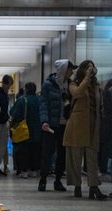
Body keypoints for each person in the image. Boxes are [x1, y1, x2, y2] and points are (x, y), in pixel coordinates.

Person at [63, 60, 107, 200]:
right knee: (76, 158)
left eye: (92, 68)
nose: (91, 70)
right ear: (82, 70)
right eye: (88, 68)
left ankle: (94, 186)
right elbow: (77, 94)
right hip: (77, 126)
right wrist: (87, 78)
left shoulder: (97, 87)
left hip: (93, 126)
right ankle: (77, 186)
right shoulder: (73, 84)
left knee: (93, 159)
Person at [38, 59, 76, 192]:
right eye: (70, 70)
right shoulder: (48, 84)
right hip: (51, 125)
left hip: (65, 125)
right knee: (47, 153)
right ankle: (42, 179)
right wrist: (44, 121)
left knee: (62, 154)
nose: (71, 72)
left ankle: (58, 180)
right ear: (63, 70)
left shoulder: (71, 85)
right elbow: (43, 104)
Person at [10, 82, 41, 178]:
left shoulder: (22, 100)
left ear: (26, 90)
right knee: (35, 151)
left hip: (24, 130)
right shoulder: (39, 100)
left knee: (24, 151)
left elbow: (13, 113)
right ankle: (34, 170)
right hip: (37, 130)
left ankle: (24, 171)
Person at [0, 74, 13, 175]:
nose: (9, 87)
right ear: (3, 83)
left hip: (3, 122)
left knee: (3, 146)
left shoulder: (5, 94)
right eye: (8, 85)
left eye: (10, 85)